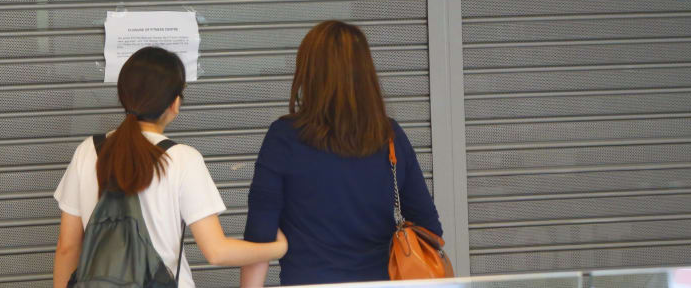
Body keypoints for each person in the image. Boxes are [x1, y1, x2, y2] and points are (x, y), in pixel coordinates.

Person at [53, 46, 287, 288]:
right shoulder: (183, 160)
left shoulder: (87, 151)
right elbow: (217, 251)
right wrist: (277, 249)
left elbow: (67, 247)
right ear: (175, 103)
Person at [241, 20, 442, 286]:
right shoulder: (389, 135)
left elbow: (260, 237)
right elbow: (430, 229)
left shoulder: (284, 137)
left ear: (309, 73)